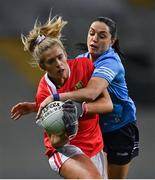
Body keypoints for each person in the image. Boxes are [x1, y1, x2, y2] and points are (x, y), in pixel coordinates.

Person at [36, 16, 139, 179]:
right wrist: (33, 105)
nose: (94, 39)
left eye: (102, 36)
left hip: (119, 127)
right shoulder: (81, 60)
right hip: (97, 129)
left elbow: (91, 93)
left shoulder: (110, 62)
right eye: (91, 33)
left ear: (112, 41)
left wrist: (55, 98)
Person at [11, 15, 113, 179]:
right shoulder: (44, 92)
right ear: (42, 66)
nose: (58, 64)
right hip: (66, 149)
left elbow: (107, 104)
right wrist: (67, 132)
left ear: (65, 54)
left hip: (94, 144)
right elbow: (55, 141)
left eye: (60, 57)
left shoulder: (84, 66)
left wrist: (80, 108)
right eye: (51, 61)